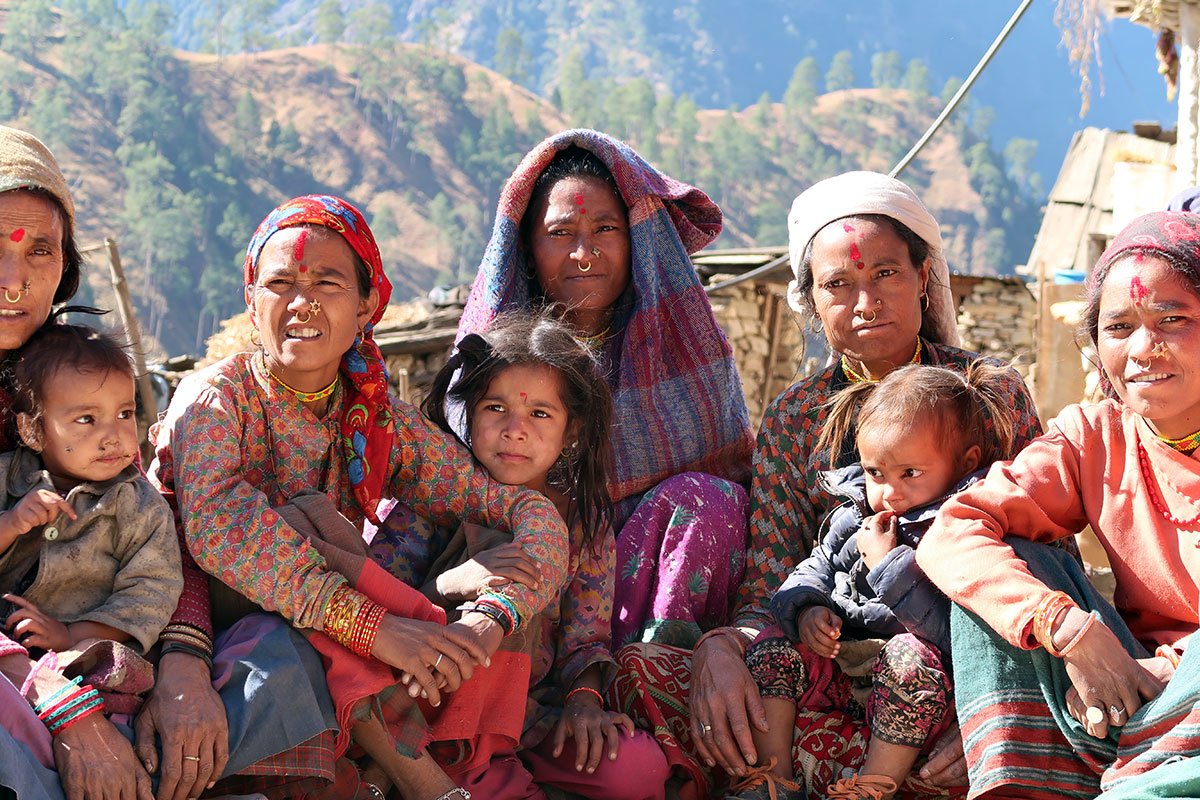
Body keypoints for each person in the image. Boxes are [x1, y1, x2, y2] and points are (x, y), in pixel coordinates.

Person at [611, 171, 1043, 799]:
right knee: (645, 672)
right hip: (823, 670)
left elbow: (1039, 555)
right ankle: (805, 777)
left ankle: (840, 777)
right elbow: (770, 579)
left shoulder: (988, 394)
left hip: (950, 670)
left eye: (886, 274)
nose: (866, 302)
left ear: (924, 278)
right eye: (838, 284)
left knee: (950, 712)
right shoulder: (796, 416)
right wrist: (726, 646)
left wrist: (997, 702)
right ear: (811, 301)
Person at [150, 195, 569, 800]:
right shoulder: (215, 398)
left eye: (328, 281)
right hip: (203, 613)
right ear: (251, 298)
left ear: (368, 304)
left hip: (322, 621)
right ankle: (414, 775)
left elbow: (515, 508)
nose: (303, 302)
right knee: (303, 521)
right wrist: (372, 627)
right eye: (281, 283)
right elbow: (223, 533)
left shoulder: (372, 418)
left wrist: (488, 617)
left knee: (487, 534)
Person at [916, 209, 1200, 800]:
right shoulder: (1092, 437)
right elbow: (955, 531)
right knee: (1003, 574)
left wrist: (1167, 669)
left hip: (1175, 688)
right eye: (1119, 328)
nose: (1144, 349)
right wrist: (1067, 630)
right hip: (1127, 692)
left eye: (1173, 319)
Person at [445, 128, 755, 650]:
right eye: (561, 233)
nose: (584, 254)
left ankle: (658, 669)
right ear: (526, 245)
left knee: (712, 502)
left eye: (606, 228)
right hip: (519, 570)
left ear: (638, 240)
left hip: (644, 579)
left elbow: (729, 475)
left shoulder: (686, 351)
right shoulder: (495, 359)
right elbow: (445, 482)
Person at [0, 123, 216, 800]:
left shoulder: (80, 374)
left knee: (275, 655)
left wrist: (184, 659)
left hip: (96, 643)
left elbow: (149, 527)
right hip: (18, 668)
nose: (14, 280)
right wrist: (63, 706)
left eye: (42, 250)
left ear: (66, 265)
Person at [389, 310, 669, 799]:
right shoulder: (427, 502)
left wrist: (583, 705)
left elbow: (585, 638)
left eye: (540, 413)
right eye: (496, 408)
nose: (515, 429)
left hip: (528, 713)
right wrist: (452, 583)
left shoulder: (584, 522)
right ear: (470, 413)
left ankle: (497, 769)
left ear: (573, 430)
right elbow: (378, 607)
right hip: (422, 700)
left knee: (638, 768)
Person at [731, 362, 1013, 800]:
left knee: (910, 658)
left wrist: (887, 566)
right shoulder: (854, 515)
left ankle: (871, 786)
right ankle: (774, 778)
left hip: (922, 681)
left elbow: (956, 630)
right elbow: (817, 564)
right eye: (875, 473)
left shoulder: (964, 527)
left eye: (910, 474)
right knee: (772, 643)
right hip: (842, 661)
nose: (889, 492)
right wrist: (808, 607)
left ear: (966, 463)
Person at [1, 322, 180, 655]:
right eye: (87, 419)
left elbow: (151, 592)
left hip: (86, 654)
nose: (113, 435)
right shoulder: (6, 479)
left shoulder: (140, 507)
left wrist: (74, 635)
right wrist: (11, 524)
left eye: (125, 413)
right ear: (31, 430)